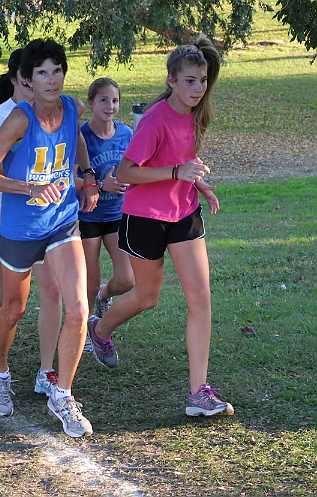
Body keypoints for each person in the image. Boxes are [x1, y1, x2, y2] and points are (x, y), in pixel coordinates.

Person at [86, 35, 232, 417]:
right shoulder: (154, 120)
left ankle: (199, 392)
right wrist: (176, 171)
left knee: (200, 297)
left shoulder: (197, 113)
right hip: (144, 218)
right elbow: (126, 172)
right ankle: (100, 330)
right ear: (171, 80)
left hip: (184, 213)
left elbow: (183, 155)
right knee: (146, 298)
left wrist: (197, 180)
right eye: (189, 81)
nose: (197, 88)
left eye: (201, 80)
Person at [0, 39, 96, 438]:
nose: (51, 79)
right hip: (21, 229)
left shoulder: (73, 107)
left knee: (77, 308)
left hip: (62, 222)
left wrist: (88, 175)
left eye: (57, 70)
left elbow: (76, 138)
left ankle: (63, 394)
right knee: (13, 309)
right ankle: (1, 370)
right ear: (27, 79)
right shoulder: (18, 119)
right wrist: (28, 188)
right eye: (42, 72)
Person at [0, 48, 65, 398]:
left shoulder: (55, 112)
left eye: (51, 73)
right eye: (34, 77)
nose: (43, 83)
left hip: (46, 218)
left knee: (53, 290)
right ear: (19, 80)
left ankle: (46, 370)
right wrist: (30, 185)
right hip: (1, 217)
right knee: (13, 299)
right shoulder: (4, 117)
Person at [79, 78, 135, 348]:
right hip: (87, 216)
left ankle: (104, 296)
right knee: (90, 280)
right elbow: (67, 177)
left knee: (127, 279)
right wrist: (100, 184)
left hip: (117, 215)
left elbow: (136, 168)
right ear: (91, 103)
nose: (110, 106)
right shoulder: (81, 135)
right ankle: (87, 328)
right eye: (103, 100)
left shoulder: (126, 134)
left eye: (114, 101)